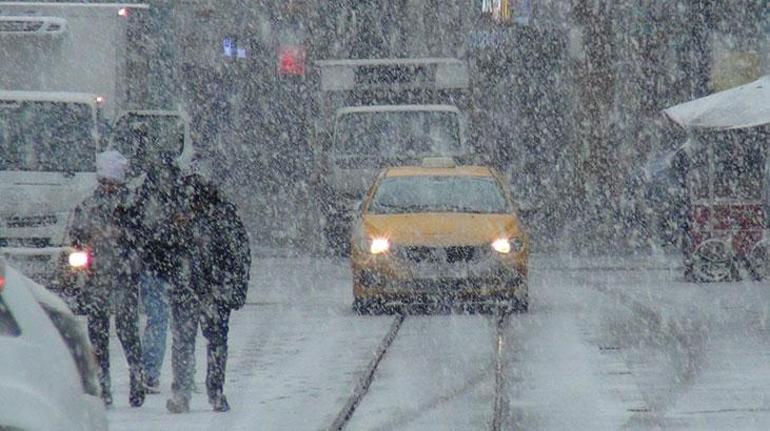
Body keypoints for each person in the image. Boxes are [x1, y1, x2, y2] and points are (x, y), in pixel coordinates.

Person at [166, 170, 250, 413]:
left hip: (204, 290)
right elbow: (241, 257)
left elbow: (238, 256)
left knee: (192, 341)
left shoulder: (218, 219)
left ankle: (196, 393)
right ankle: (207, 392)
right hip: (201, 290)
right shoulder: (221, 219)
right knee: (209, 342)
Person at [68, 150, 145, 407]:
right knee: (98, 333)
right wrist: (88, 242)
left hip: (124, 273)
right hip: (97, 275)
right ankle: (103, 386)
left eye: (113, 182)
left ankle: (137, 380)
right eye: (105, 182)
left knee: (127, 330)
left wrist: (121, 237)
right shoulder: (88, 205)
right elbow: (76, 235)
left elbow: (143, 237)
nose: (109, 187)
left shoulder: (133, 205)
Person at [125, 142, 192, 395]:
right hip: (175, 268)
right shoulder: (182, 196)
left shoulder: (144, 197)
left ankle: (151, 373)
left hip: (153, 267)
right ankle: (183, 374)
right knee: (181, 323)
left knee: (157, 320)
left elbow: (135, 230)